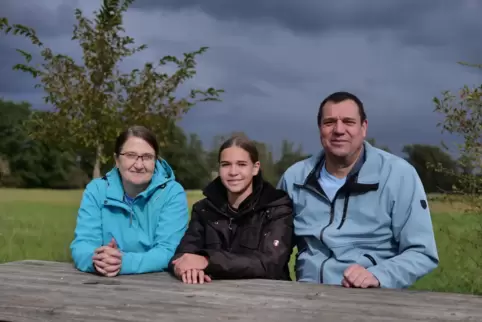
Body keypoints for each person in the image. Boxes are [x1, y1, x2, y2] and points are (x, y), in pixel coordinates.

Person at [277, 91, 439, 289]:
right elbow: (273, 245)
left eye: (348, 122)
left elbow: (422, 252)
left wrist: (377, 275)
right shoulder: (295, 178)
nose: (339, 130)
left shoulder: (398, 175)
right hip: (308, 295)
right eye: (329, 122)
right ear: (320, 128)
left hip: (371, 298)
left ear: (364, 128)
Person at [170, 135, 294, 284]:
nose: (233, 172)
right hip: (212, 296)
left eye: (241, 164)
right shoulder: (204, 210)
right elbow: (183, 253)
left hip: (267, 296)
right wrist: (184, 267)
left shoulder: (276, 208)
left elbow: (270, 263)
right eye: (226, 164)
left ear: (255, 168)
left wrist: (207, 261)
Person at [70, 125, 189, 277]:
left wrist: (122, 262)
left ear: (155, 160)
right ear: (117, 160)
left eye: (147, 157)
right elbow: (82, 244)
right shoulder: (97, 190)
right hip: (101, 285)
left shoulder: (172, 193)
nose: (139, 165)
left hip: (156, 285)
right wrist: (96, 261)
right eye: (131, 155)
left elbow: (168, 250)